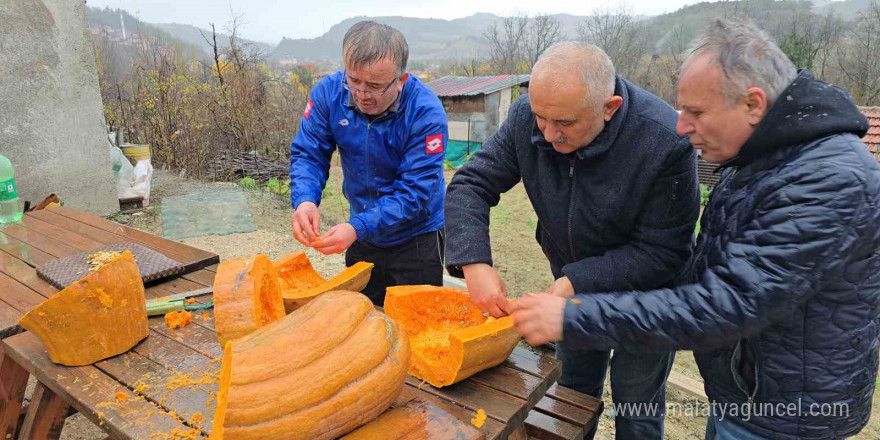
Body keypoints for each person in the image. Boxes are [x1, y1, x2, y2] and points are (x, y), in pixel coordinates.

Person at [511, 18, 879, 440]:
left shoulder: (823, 180)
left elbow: (726, 306)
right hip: (747, 394)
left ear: (753, 104)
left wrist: (574, 317)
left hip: (785, 417)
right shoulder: (765, 159)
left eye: (696, 112)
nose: (682, 127)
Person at [444, 42, 700, 440]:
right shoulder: (527, 117)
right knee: (572, 392)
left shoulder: (666, 140)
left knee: (637, 400)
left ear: (609, 107)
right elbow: (471, 184)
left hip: (648, 297)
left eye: (563, 122)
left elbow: (665, 251)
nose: (547, 134)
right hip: (570, 284)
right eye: (541, 118)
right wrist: (474, 261)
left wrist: (576, 280)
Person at [289, 21, 447, 306]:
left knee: (418, 323)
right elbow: (309, 154)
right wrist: (305, 200)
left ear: (401, 80)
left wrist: (357, 227)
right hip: (362, 234)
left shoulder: (426, 113)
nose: (361, 94)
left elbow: (414, 193)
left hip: (417, 237)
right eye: (354, 81)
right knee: (361, 319)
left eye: (374, 86)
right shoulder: (328, 94)